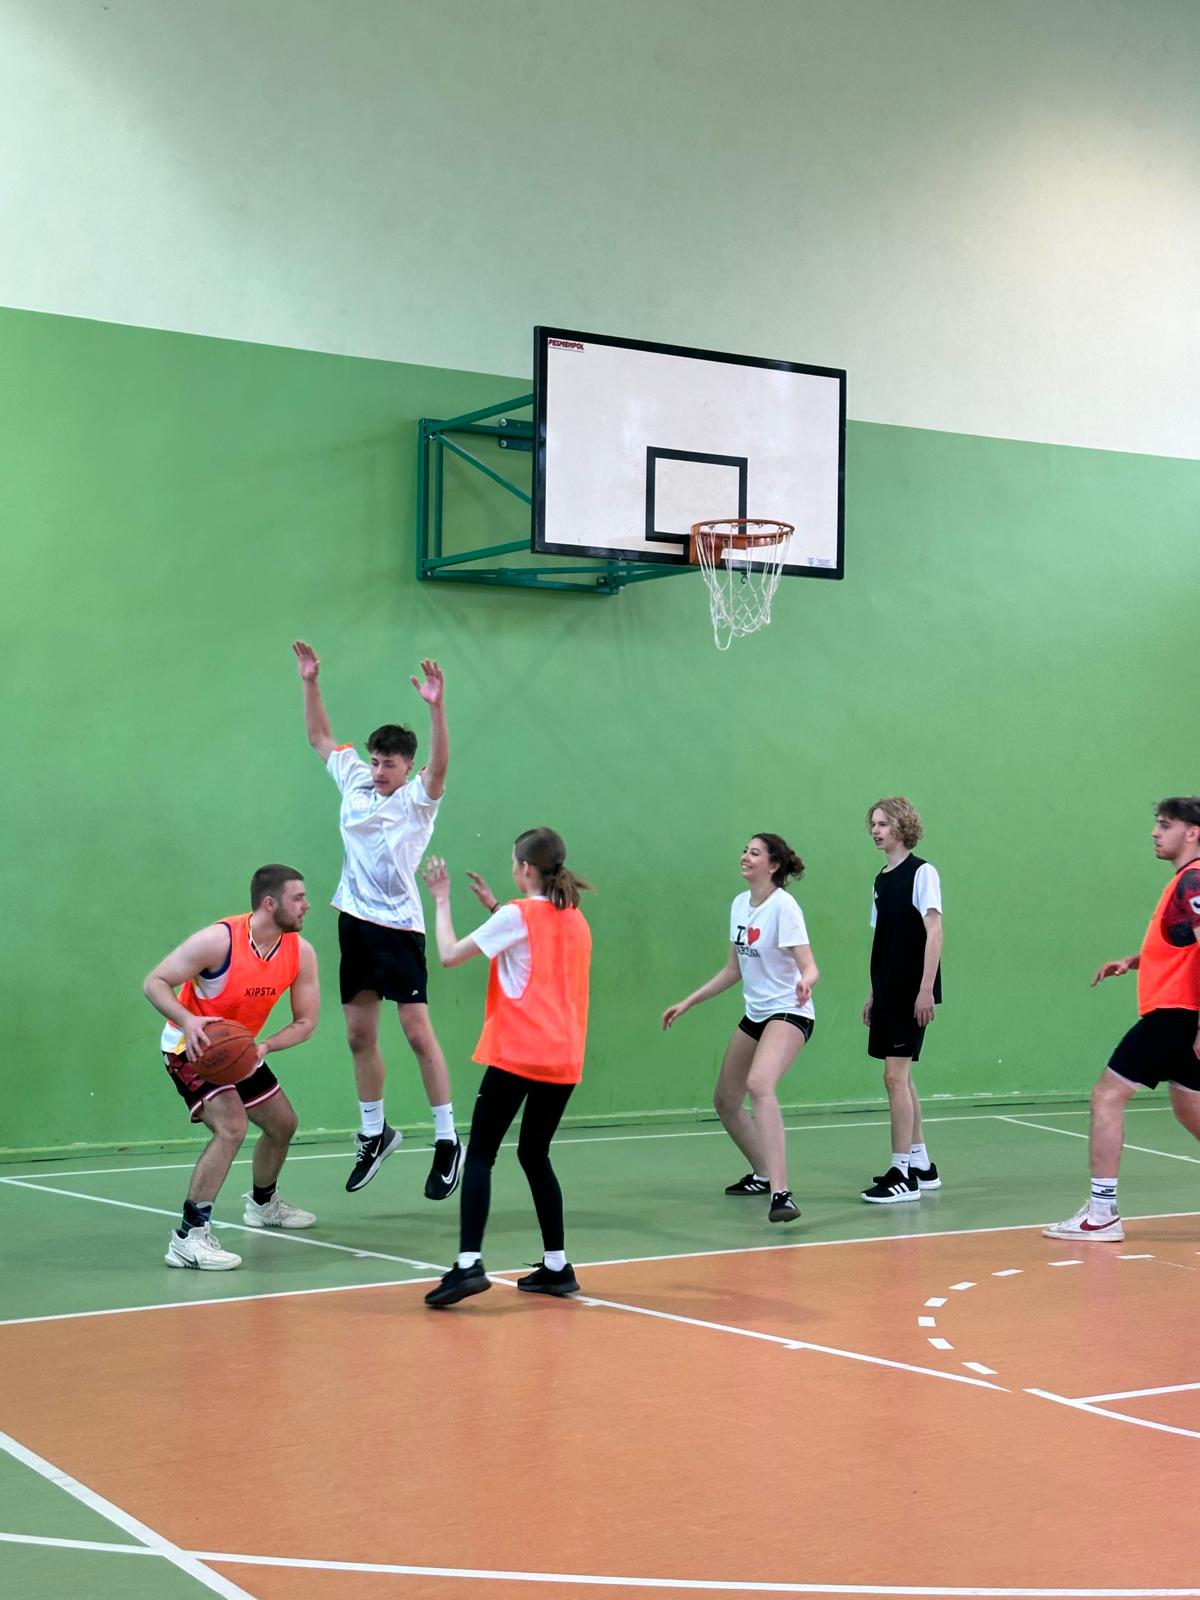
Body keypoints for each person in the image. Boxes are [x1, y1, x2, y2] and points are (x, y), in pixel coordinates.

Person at [292, 639, 461, 1200]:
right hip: (355, 924)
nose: (380, 769)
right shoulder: (354, 781)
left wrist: (437, 708)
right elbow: (319, 737)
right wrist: (311, 681)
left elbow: (441, 765)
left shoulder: (418, 801)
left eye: (390, 763)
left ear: (408, 766)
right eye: (376, 760)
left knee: (415, 1031)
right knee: (358, 1034)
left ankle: (446, 1139)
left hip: (400, 929)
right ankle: (375, 1133)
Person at [419, 828, 592, 1308]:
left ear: (525, 869)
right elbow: (534, 945)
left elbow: (449, 955)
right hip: (564, 1056)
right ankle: (557, 1265)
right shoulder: (574, 917)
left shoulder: (518, 915)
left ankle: (469, 1263)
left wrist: (441, 900)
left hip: (519, 1052)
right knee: (535, 1154)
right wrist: (495, 908)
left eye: (515, 862)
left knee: (480, 1155)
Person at [143, 864, 321, 1270]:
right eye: (298, 898)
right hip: (190, 1047)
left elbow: (306, 1022)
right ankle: (189, 1237)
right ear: (270, 903)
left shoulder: (300, 952)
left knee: (283, 1124)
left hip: (236, 1049)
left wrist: (265, 1046)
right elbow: (154, 982)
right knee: (232, 1126)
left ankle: (263, 1204)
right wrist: (187, 1020)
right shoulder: (219, 941)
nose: (306, 905)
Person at [1045, 798, 1200, 1243]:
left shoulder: (1193, 880)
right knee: (1188, 1106)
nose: (1155, 832)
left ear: (1192, 833)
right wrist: (1137, 961)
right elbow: (1185, 945)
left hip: (1175, 1014)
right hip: (1179, 1011)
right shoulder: (1186, 882)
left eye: (1165, 825)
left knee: (1107, 1095)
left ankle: (1102, 1213)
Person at [661, 834, 818, 1224]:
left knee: (760, 1085)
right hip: (756, 1013)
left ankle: (782, 1194)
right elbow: (734, 969)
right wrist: (689, 1001)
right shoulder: (739, 905)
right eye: (745, 851)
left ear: (774, 865)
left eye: (754, 853)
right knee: (725, 1100)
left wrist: (806, 982)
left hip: (789, 1011)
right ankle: (762, 1174)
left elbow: (810, 965)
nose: (745, 856)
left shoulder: (784, 907)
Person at [860, 797, 943, 1204]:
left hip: (912, 990)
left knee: (894, 1077)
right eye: (873, 824)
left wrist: (926, 988)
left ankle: (902, 1174)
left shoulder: (922, 872)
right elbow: (884, 940)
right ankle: (922, 1165)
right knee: (902, 1077)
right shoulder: (881, 880)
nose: (876, 831)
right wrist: (874, 991)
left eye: (883, 824)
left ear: (902, 826)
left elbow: (935, 932)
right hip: (888, 989)